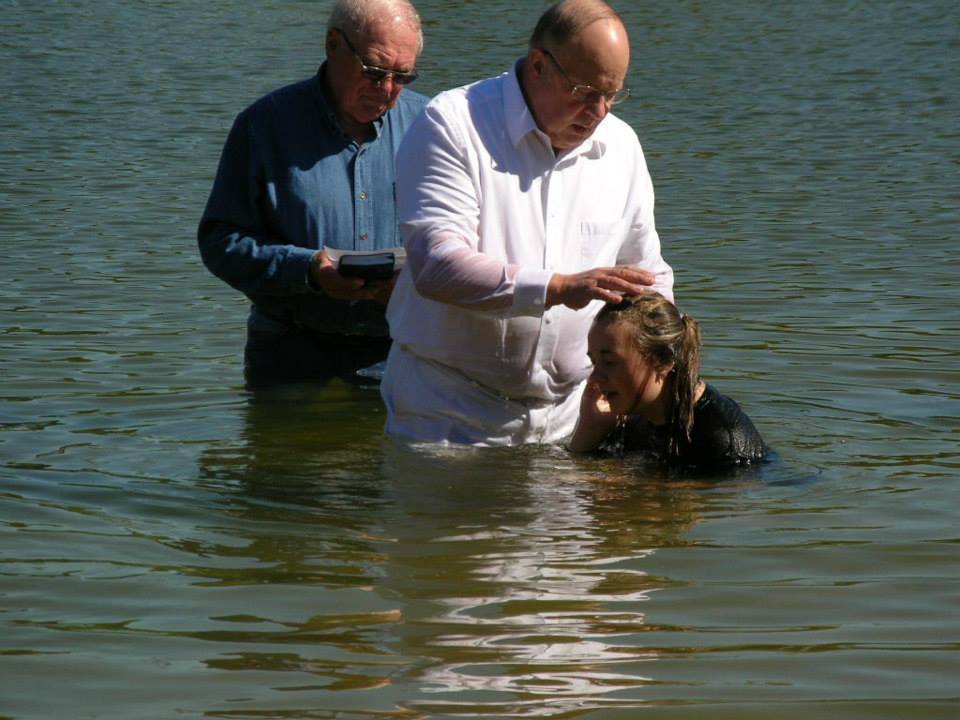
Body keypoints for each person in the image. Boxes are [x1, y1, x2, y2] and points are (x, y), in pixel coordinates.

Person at [382, 0, 674, 446]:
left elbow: (647, 273)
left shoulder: (622, 146)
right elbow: (436, 265)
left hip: (574, 419)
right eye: (585, 91)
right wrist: (558, 287)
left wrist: (670, 350)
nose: (600, 112)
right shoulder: (454, 124)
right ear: (539, 65)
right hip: (448, 417)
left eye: (612, 94)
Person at [198, 0, 428, 387]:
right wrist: (307, 271)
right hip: (291, 358)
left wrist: (418, 280)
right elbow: (220, 241)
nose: (387, 90)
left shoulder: (432, 127)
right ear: (333, 44)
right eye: (374, 72)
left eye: (402, 76)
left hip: (406, 355)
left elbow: (474, 236)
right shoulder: (264, 125)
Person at [569, 292, 768, 469]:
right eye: (594, 362)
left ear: (663, 361)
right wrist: (588, 433)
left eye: (610, 362)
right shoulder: (632, 419)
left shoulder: (720, 439)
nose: (595, 378)